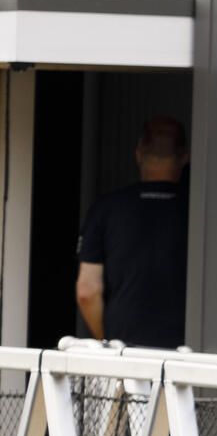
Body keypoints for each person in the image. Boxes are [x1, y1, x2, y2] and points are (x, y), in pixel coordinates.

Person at [76, 117, 190, 347]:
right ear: (184, 157)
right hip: (186, 351)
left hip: (124, 350)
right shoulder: (198, 214)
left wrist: (106, 342)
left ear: (138, 154)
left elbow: (87, 291)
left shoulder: (106, 208)